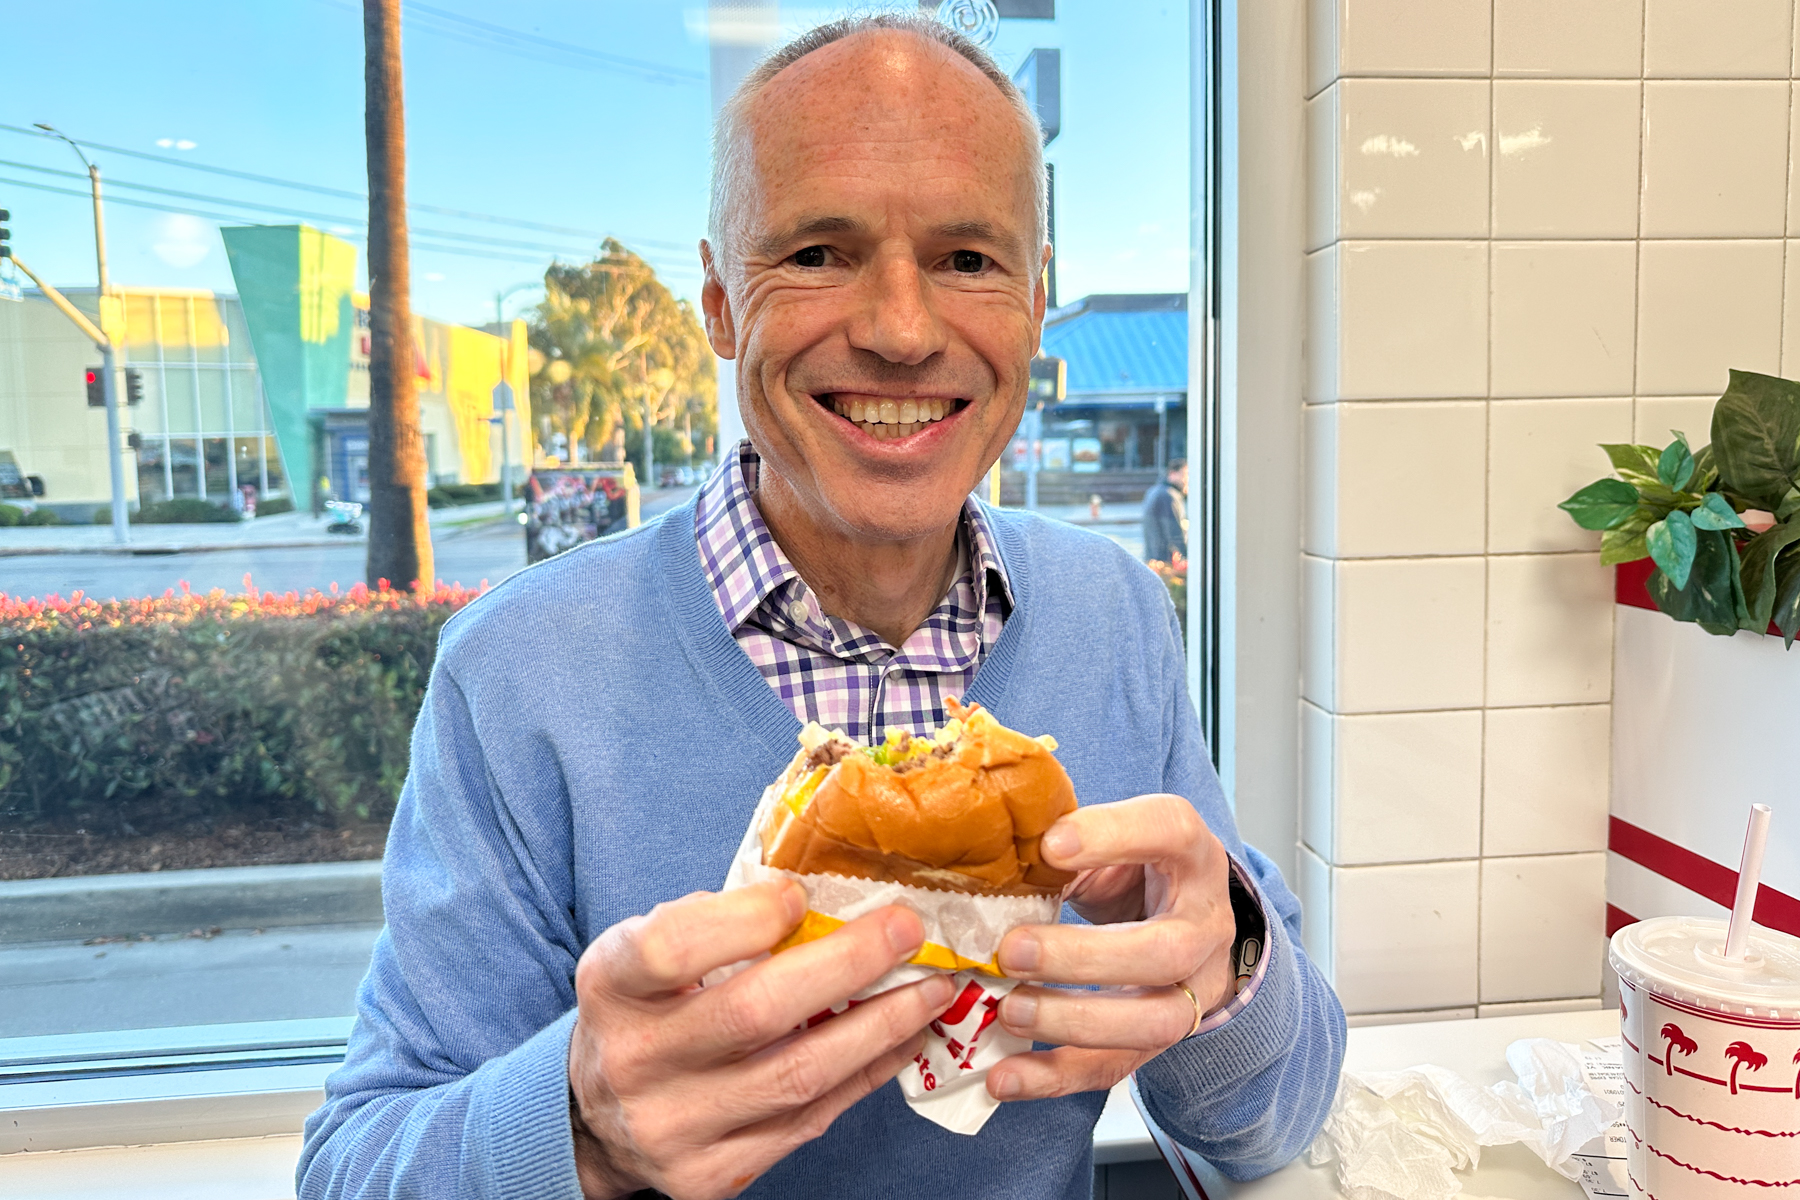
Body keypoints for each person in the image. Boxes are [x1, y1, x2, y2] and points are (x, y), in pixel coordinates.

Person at [298, 15, 1343, 1200]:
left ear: (1037, 304)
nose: (901, 330)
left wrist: (1227, 964)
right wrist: (585, 1122)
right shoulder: (523, 673)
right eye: (816, 254)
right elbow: (355, 1168)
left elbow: (1264, 1131)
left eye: (968, 260)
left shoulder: (1112, 617)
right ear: (718, 305)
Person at [1141, 458, 1188, 566]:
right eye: (1185, 474)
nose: (1187, 479)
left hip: (1154, 558)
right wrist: (1187, 555)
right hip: (1166, 561)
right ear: (1172, 474)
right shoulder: (1168, 496)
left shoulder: (1155, 491)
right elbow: (1175, 533)